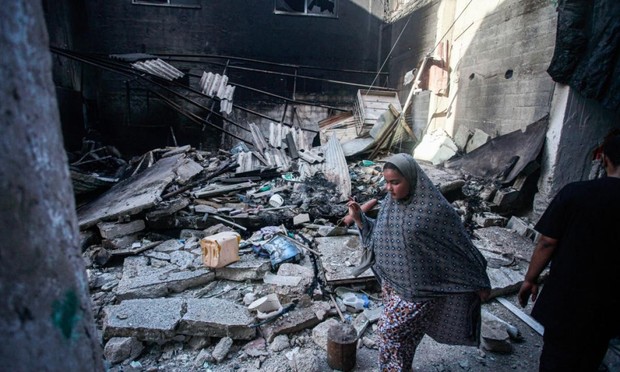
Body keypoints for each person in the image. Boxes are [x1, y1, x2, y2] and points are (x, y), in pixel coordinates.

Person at [347, 153, 491, 371]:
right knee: (407, 335)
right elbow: (380, 233)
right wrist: (359, 219)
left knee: (388, 331)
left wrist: (479, 280)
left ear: (412, 179)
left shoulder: (434, 211)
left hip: (419, 290)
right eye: (387, 182)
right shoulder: (392, 204)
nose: (389, 188)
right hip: (392, 283)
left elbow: (460, 248)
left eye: (395, 182)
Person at [518, 133, 620, 371]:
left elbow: (547, 242)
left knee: (556, 357)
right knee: (593, 354)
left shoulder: (575, 193)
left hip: (569, 299)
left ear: (603, 159)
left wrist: (530, 279)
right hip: (612, 303)